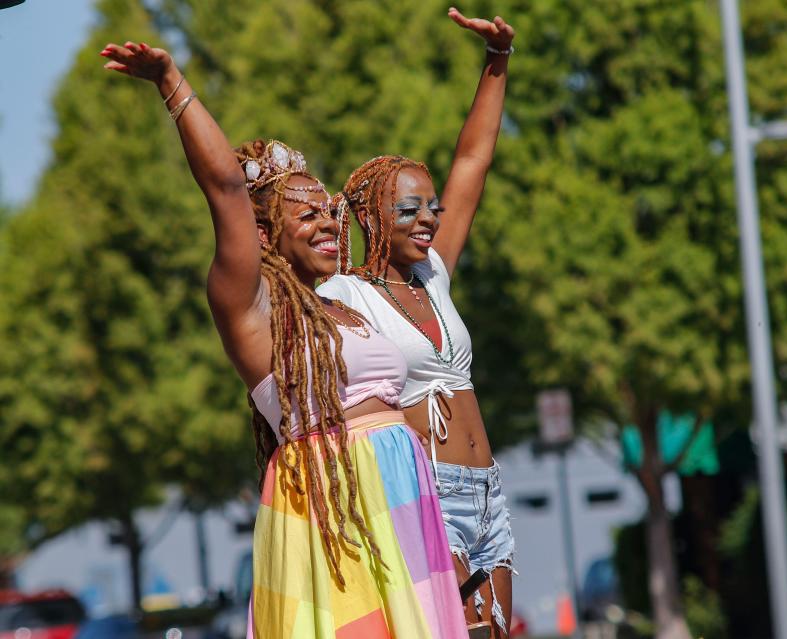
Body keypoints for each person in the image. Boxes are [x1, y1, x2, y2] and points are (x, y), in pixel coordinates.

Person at [100, 41, 467, 639]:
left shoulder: (344, 305)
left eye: (330, 212)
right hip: (334, 510)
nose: (328, 224)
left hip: (405, 504)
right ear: (265, 234)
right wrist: (170, 81)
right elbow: (223, 186)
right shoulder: (252, 309)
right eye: (308, 216)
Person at [317, 8, 515, 636]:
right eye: (410, 208)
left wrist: (497, 62)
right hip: (425, 493)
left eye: (432, 206)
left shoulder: (435, 274)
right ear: (373, 216)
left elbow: (473, 161)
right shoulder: (344, 293)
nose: (429, 217)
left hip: (487, 492)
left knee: (500, 631)